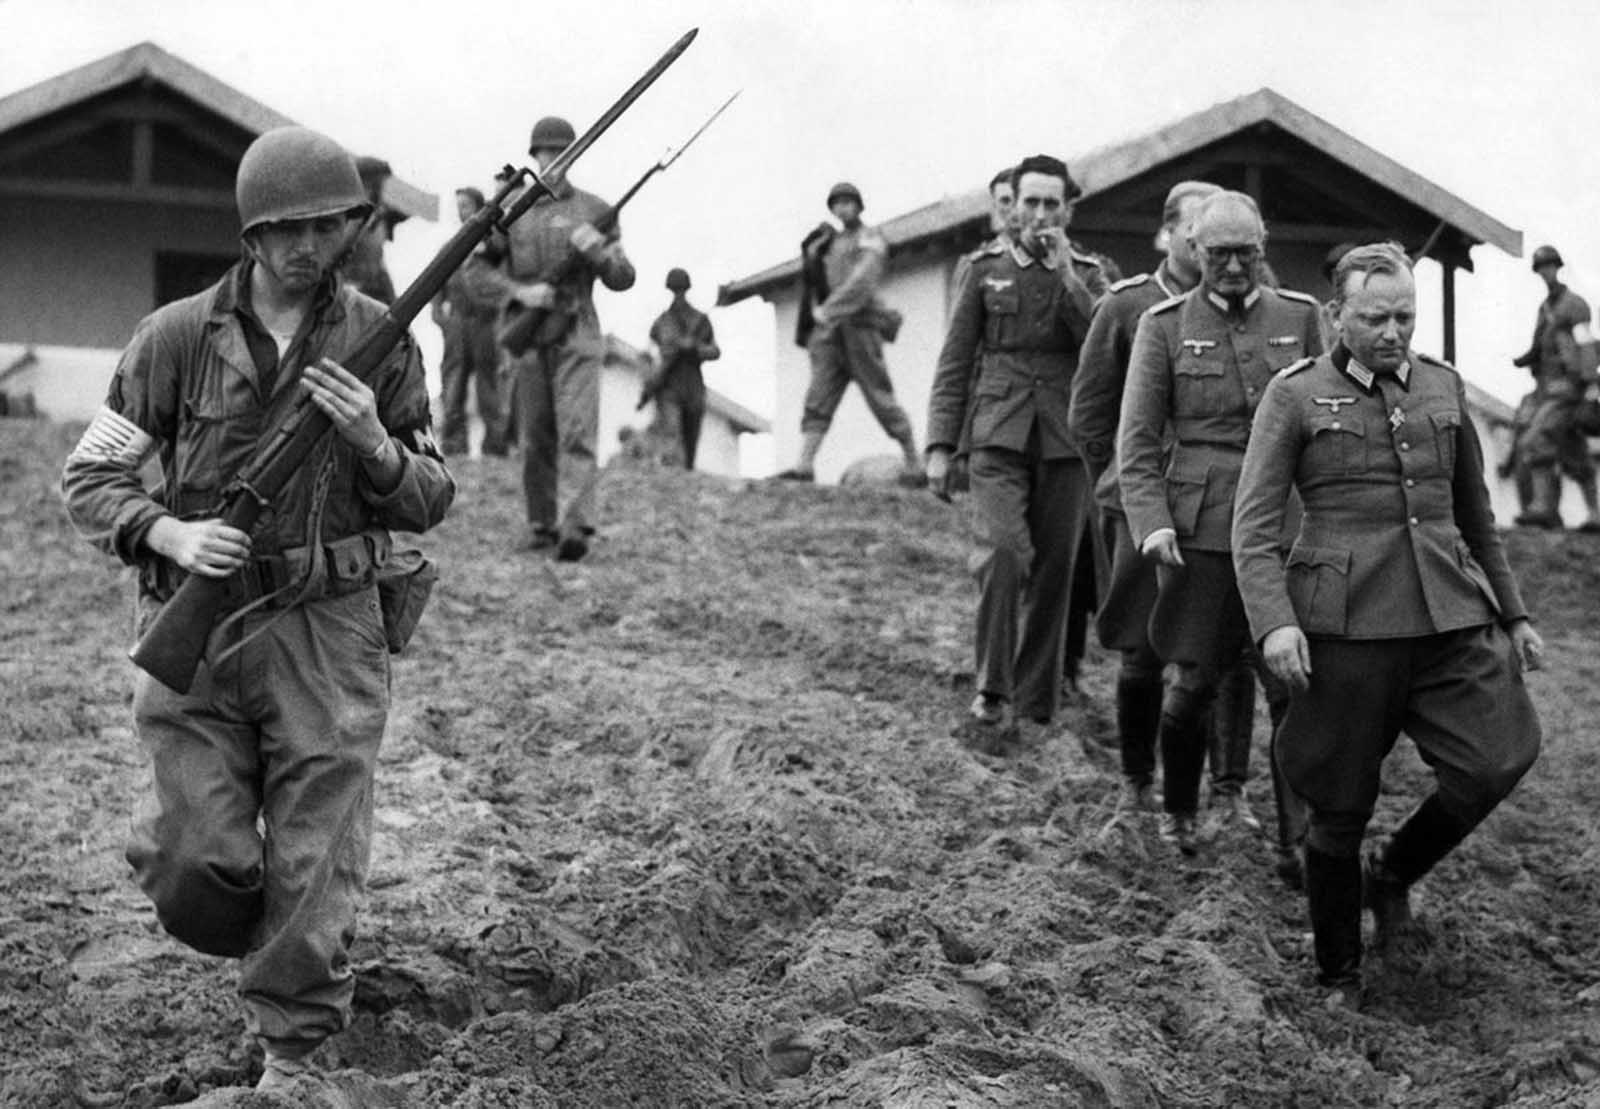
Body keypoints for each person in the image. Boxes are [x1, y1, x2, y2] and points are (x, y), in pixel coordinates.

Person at [59, 126, 455, 1090]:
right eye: (289, 228)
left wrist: (373, 443)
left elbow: (430, 495)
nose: (309, 247)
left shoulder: (384, 339)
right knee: (197, 866)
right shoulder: (175, 336)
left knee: (319, 843)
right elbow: (90, 475)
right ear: (252, 232)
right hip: (198, 621)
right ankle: (268, 929)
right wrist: (168, 534)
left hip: (329, 624)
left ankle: (294, 1047)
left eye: (328, 226)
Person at [1232, 242, 1542, 1005]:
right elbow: (1253, 524)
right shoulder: (1295, 395)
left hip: (1447, 617)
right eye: (1375, 318)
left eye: (1405, 315)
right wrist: (1275, 624)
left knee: (1498, 757)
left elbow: (1476, 512)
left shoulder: (1443, 386)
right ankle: (1338, 971)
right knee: (1337, 810)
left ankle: (1394, 870)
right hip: (1343, 629)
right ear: (1337, 315)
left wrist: (1516, 612)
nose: (1394, 331)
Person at [1116, 190, 1323, 856]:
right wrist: (1151, 523)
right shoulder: (1165, 324)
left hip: (1283, 530)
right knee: (1192, 687)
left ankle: (1300, 843)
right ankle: (1179, 809)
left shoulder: (1301, 317)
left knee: (1295, 687)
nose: (1233, 267)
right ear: (1194, 251)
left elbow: (1326, 423)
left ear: (1263, 248)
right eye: (1219, 254)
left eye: (1247, 253)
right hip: (1200, 533)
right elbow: (1138, 441)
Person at [926, 154, 1096, 739]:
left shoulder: (1088, 272)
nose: (1041, 214)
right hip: (997, 431)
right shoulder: (982, 268)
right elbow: (954, 361)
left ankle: (1036, 703)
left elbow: (1098, 343)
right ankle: (992, 688)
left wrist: (1066, 275)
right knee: (1001, 554)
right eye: (1032, 202)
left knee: (1056, 574)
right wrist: (940, 445)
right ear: (1012, 204)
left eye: (1053, 204)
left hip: (1064, 437)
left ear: (1068, 209)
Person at [496, 115, 636, 560]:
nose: (553, 161)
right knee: (535, 433)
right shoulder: (509, 212)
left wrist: (596, 252)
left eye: (563, 153)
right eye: (546, 153)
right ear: (533, 157)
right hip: (531, 333)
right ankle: (541, 523)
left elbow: (623, 276)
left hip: (577, 327)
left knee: (577, 430)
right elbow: (476, 271)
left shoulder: (596, 210)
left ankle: (575, 526)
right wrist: (520, 291)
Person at [776, 182, 924, 486]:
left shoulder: (869, 238)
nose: (843, 208)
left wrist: (828, 310)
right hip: (831, 334)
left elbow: (863, 281)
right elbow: (815, 278)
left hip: (860, 326)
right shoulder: (830, 243)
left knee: (880, 395)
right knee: (819, 396)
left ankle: (913, 462)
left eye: (848, 202)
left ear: (859, 205)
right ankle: (804, 465)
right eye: (837, 203)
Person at [1509, 244, 1600, 530]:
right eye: (1540, 268)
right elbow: (1540, 347)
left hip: (1569, 389)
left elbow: (1585, 344)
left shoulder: (1574, 305)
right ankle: (1595, 514)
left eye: (1548, 266)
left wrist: (1592, 387)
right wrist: (1526, 358)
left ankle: (1543, 508)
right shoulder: (1546, 307)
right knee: (1573, 452)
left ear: (1557, 267)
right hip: (1550, 388)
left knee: (1537, 439)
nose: (1545, 272)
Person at [432, 186, 508, 457]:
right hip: (458, 321)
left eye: (466, 205)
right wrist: (440, 315)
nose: (461, 211)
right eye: (458, 206)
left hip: (485, 322)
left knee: (488, 384)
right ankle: (453, 443)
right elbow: (437, 280)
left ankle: (495, 444)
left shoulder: (494, 245)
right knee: (453, 383)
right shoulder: (451, 246)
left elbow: (504, 276)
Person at [645, 267, 720, 469]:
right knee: (671, 434)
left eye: (680, 290)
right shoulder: (661, 323)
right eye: (674, 290)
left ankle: (686, 476)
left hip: (693, 384)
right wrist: (651, 378)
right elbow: (649, 354)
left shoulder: (700, 320)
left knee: (691, 438)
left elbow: (715, 351)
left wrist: (694, 348)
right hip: (669, 385)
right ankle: (671, 474)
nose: (678, 294)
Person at [342, 155, 398, 305]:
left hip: (373, 291)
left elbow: (378, 261)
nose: (381, 190)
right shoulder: (345, 215)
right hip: (348, 294)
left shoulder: (379, 216)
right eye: (379, 184)